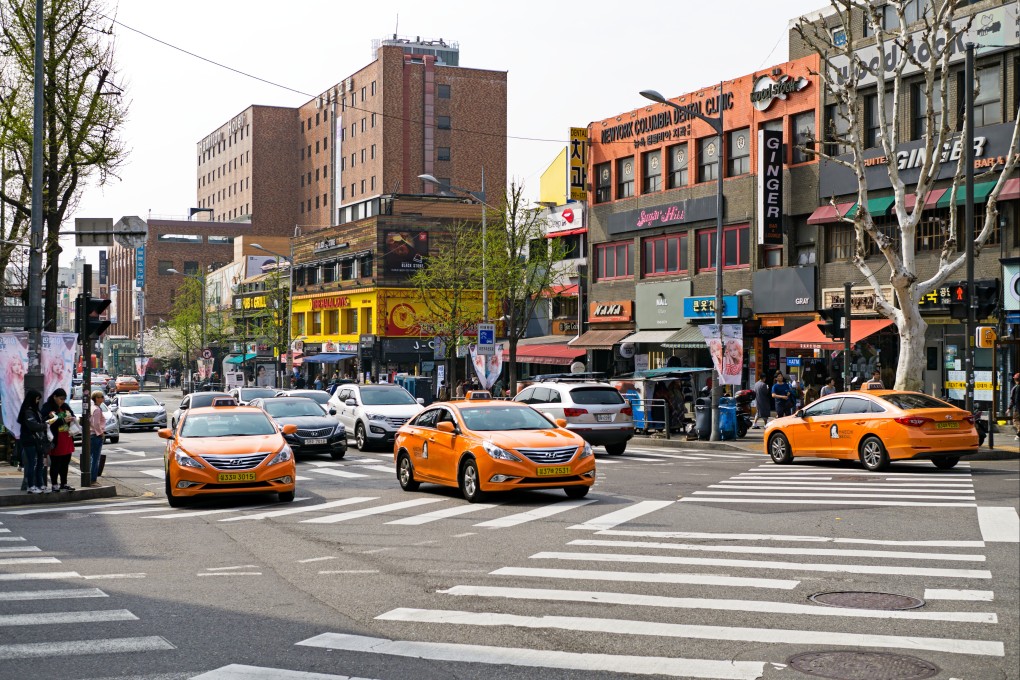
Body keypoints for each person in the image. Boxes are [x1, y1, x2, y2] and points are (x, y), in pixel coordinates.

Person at [41, 389, 75, 492]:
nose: (62, 401)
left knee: (65, 463)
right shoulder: (48, 407)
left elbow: (71, 415)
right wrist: (62, 420)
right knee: (56, 463)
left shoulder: (65, 407)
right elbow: (46, 422)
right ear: (54, 396)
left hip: (67, 437)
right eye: (60, 399)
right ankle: (54, 484)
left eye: (64, 399)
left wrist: (71, 418)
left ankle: (64, 483)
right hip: (56, 438)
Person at [16, 390, 48, 494]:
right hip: (30, 440)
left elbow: (39, 421)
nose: (38, 401)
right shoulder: (28, 411)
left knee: (39, 463)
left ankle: (39, 484)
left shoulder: (35, 410)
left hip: (37, 440)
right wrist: (45, 426)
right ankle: (31, 486)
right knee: (31, 463)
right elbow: (33, 425)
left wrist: (47, 420)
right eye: (37, 399)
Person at [88, 390, 106, 486]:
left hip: (91, 435)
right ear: (97, 398)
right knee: (95, 459)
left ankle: (90, 477)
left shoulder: (93, 407)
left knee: (91, 458)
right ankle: (92, 479)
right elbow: (96, 423)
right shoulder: (97, 409)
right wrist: (101, 433)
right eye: (101, 397)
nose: (103, 398)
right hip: (95, 435)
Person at [1008, 373, 1020, 441]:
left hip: (1018, 408)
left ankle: (1018, 435)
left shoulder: (1016, 388)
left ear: (1015, 379)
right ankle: (1018, 435)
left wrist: (1009, 408)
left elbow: (1015, 399)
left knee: (1015, 421)